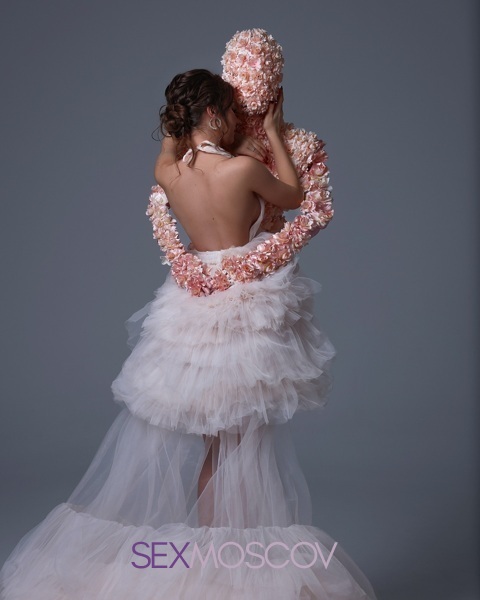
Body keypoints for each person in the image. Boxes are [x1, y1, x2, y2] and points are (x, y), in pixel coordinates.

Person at [0, 69, 377, 599]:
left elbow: (174, 146)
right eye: (231, 113)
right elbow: (294, 195)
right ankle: (236, 569)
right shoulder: (243, 169)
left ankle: (213, 562)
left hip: (193, 312)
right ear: (214, 114)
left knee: (214, 449)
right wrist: (272, 131)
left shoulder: (168, 173)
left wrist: (190, 131)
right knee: (243, 444)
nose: (238, 122)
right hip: (246, 309)